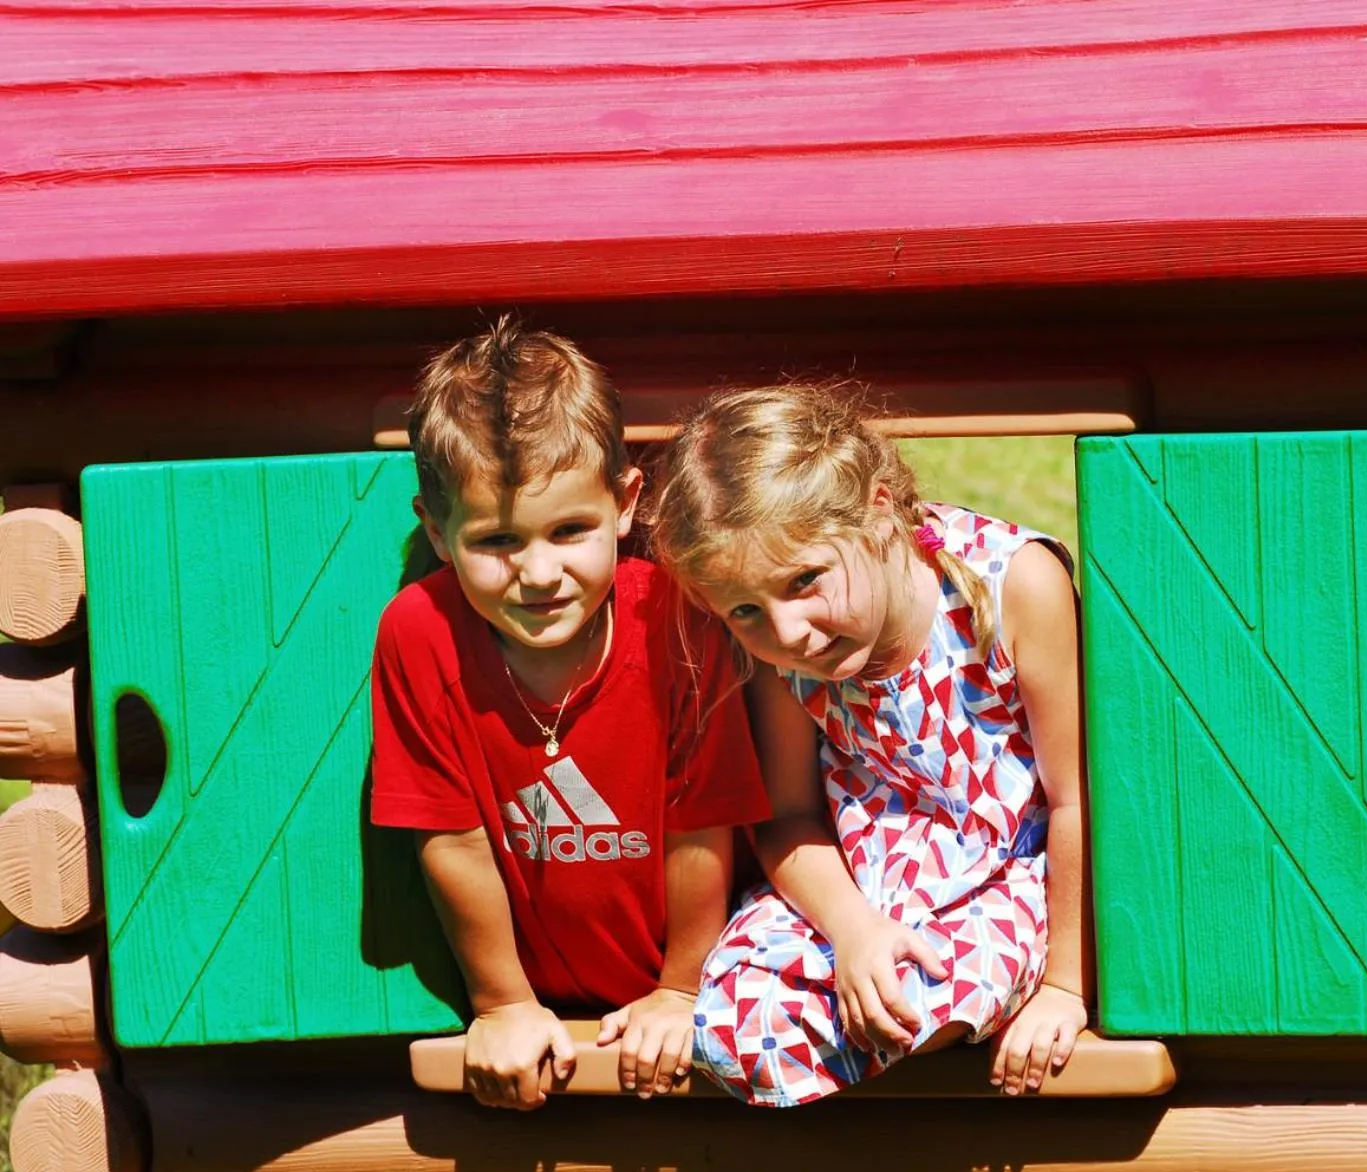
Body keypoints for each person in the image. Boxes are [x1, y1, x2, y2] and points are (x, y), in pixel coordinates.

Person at [649, 384, 1089, 1108]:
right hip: (856, 884)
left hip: (1004, 877)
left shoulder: (1013, 584)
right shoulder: (783, 654)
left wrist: (1066, 987)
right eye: (746, 610)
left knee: (906, 1000)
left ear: (879, 511)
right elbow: (788, 817)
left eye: (805, 580)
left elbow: (1076, 798)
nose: (788, 632)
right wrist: (854, 930)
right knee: (729, 1025)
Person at [370, 316, 768, 1110]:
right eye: (497, 541)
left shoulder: (673, 619)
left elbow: (703, 823)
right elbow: (452, 840)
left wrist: (680, 991)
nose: (539, 572)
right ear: (438, 532)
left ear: (624, 504)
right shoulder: (421, 632)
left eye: (570, 530)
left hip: (698, 978)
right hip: (533, 997)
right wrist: (503, 1004)